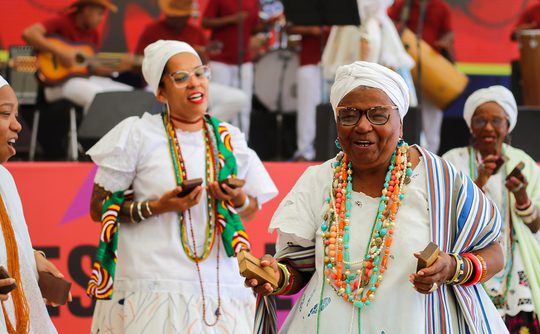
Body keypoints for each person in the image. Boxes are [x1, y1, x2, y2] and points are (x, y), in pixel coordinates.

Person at [246, 61, 508, 333]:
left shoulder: (439, 179)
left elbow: (495, 252)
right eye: (349, 115)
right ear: (337, 123)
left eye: (377, 115)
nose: (362, 126)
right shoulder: (318, 181)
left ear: (401, 124)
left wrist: (452, 267)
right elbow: (297, 267)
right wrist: (276, 277)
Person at [86, 40, 278, 333]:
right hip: (152, 282)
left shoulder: (228, 138)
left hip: (220, 285)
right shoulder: (138, 134)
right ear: (161, 91)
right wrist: (158, 206)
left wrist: (237, 198)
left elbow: (251, 209)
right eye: (181, 77)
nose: (195, 83)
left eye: (200, 73)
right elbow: (99, 208)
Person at [443, 86, 540, 333]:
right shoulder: (453, 161)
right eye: (480, 121)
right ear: (470, 126)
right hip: (468, 264)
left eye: (496, 121)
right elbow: (445, 216)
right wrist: (481, 181)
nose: (488, 128)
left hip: (516, 269)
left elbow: (535, 225)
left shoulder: (523, 162)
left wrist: (521, 196)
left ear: (507, 126)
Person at [0, 75, 71, 333]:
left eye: (16, 116)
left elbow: (7, 241)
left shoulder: (4, 178)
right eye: (5, 114)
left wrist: (32, 260)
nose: (17, 127)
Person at [135, 0, 248, 123]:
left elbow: (203, 65)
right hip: (162, 85)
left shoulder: (195, 32)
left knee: (238, 98)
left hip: (193, 82)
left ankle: (202, 126)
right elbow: (140, 62)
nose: (178, 20)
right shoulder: (152, 30)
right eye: (175, 16)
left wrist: (200, 54)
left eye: (182, 16)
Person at [21, 0, 133, 111]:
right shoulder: (62, 22)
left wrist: (117, 67)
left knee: (127, 94)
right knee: (97, 96)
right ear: (87, 10)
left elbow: (91, 67)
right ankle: (92, 129)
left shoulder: (93, 34)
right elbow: (29, 33)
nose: (102, 18)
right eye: (100, 13)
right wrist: (61, 53)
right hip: (55, 84)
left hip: (83, 80)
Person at [388, 0, 454, 154]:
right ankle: (403, 156)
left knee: (432, 119)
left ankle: (430, 158)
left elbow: (449, 34)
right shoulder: (404, 4)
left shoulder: (441, 6)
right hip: (406, 71)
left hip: (432, 72)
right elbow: (388, 22)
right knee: (403, 113)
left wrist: (444, 42)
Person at [202, 0, 260, 136]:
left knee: (244, 106)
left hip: (243, 59)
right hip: (220, 59)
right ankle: (213, 141)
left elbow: (254, 27)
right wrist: (232, 19)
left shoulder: (253, 2)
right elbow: (205, 22)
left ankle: (241, 144)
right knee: (220, 104)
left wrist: (268, 24)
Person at [285, 25, 329, 161]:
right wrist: (311, 30)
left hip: (339, 59)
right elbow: (289, 27)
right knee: (307, 109)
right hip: (311, 59)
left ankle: (332, 151)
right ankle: (305, 152)